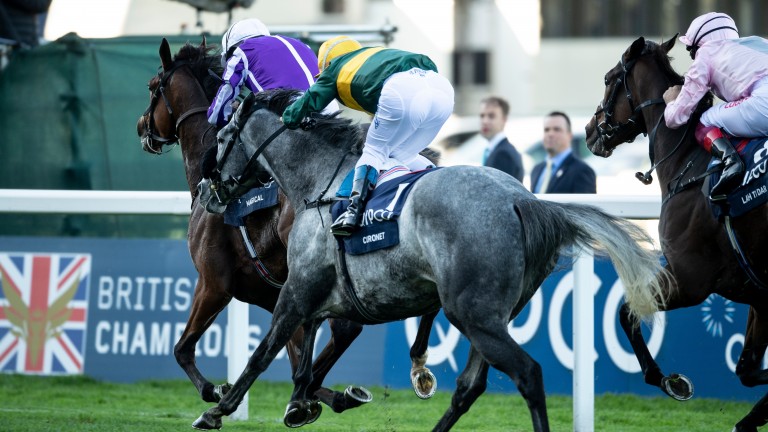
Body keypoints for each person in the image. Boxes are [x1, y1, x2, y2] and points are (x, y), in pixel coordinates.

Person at [281, 35, 454, 236]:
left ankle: (352, 212)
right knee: (401, 155)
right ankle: (438, 183)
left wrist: (287, 118)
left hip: (404, 91)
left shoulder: (335, 68)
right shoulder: (373, 56)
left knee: (374, 151)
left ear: (328, 63)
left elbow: (309, 100)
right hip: (441, 90)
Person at [663, 12, 768, 201]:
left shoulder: (706, 53)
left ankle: (732, 163)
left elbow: (676, 118)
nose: (692, 57)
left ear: (700, 44)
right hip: (760, 99)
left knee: (705, 120)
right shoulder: (756, 41)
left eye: (691, 50)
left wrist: (671, 101)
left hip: (763, 101)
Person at [207, 18, 338, 129]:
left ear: (231, 50)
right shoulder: (301, 44)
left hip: (294, 114)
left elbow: (216, 115)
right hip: (332, 110)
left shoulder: (240, 51)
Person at [530, 111, 596, 194]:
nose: (550, 134)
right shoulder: (537, 170)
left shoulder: (582, 171)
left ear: (569, 135)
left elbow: (585, 206)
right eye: (546, 130)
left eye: (557, 129)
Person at [479, 96, 524, 182]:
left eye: (491, 116)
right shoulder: (495, 150)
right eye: (482, 116)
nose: (485, 121)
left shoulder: (503, 154)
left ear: (504, 119)